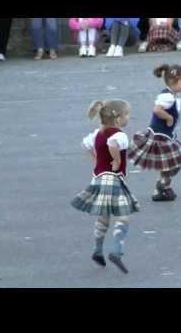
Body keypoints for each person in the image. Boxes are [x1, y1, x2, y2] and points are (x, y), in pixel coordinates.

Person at [71, 100, 139, 274]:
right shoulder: (119, 135)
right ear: (117, 119)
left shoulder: (96, 134)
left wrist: (96, 161)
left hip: (98, 179)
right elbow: (113, 144)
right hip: (113, 179)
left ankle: (97, 250)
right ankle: (116, 251)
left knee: (103, 218)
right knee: (123, 217)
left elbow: (84, 145)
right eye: (127, 115)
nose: (128, 118)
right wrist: (116, 160)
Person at [128, 64, 181, 202]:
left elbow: (169, 85)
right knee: (177, 162)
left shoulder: (172, 93)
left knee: (168, 163)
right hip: (160, 136)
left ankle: (162, 188)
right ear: (173, 82)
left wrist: (166, 77)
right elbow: (157, 110)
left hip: (166, 134)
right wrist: (169, 118)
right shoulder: (168, 97)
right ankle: (162, 184)